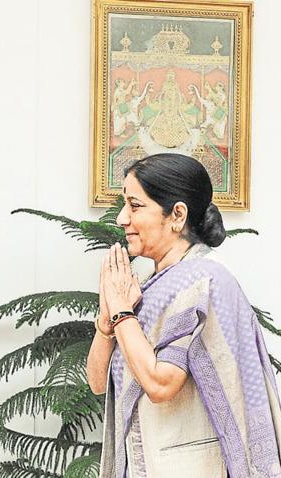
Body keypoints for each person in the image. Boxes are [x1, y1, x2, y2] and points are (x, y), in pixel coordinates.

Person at [87, 153, 281, 477]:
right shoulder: (149, 287)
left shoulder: (203, 280)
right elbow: (96, 382)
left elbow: (161, 384)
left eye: (135, 206)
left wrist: (122, 312)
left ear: (177, 215)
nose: (122, 218)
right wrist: (109, 318)